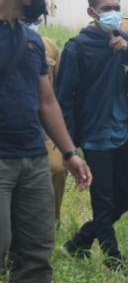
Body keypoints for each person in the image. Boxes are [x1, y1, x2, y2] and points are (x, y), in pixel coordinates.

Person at [0, 0, 92, 283]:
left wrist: (69, 152)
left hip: (34, 160)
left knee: (36, 253)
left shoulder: (32, 41)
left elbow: (47, 102)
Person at [56, 0, 128, 269]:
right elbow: (63, 99)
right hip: (95, 137)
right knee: (103, 202)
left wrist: (127, 49)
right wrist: (70, 145)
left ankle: (79, 241)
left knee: (125, 199)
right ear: (92, 12)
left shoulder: (126, 41)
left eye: (117, 8)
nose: (113, 14)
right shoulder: (77, 48)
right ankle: (113, 259)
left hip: (124, 134)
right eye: (107, 9)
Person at [41, 35, 67, 222]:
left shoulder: (48, 45)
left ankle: (52, 221)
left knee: (57, 169)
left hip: (45, 123)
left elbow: (59, 89)